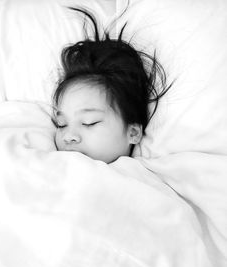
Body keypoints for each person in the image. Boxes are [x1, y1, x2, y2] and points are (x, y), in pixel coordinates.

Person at [52, 7, 171, 163]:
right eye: (61, 125)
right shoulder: (48, 166)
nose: (68, 137)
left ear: (133, 132)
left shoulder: (145, 178)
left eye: (89, 122)